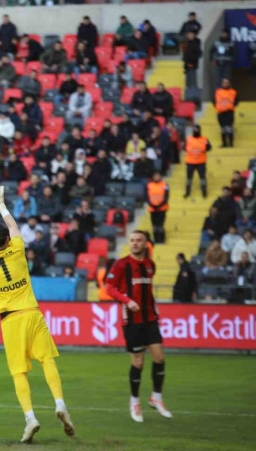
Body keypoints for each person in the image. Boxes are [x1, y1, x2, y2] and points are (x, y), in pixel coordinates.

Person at [0, 183, 74, 443]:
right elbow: (13, 226)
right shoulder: (19, 247)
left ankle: (30, 417)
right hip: (32, 313)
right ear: (8, 240)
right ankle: (59, 402)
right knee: (47, 359)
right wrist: (0, 204)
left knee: (19, 372)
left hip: (10, 320)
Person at [106, 230, 172, 423]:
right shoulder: (121, 264)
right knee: (138, 363)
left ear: (145, 244)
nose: (135, 243)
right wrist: (127, 301)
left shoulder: (151, 265)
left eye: (139, 240)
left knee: (159, 357)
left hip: (150, 318)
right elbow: (109, 288)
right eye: (132, 240)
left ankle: (156, 398)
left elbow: (147, 291)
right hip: (132, 321)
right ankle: (134, 402)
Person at [183, 124, 211, 198]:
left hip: (201, 162)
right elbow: (184, 148)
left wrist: (202, 150)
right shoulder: (188, 139)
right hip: (190, 162)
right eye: (194, 129)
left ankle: (204, 193)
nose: (195, 131)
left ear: (199, 130)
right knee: (189, 178)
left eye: (197, 129)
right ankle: (187, 192)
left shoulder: (204, 139)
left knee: (202, 178)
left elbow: (209, 147)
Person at [214, 78, 238, 148]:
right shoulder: (218, 92)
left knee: (229, 128)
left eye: (227, 82)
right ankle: (224, 143)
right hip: (220, 113)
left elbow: (236, 101)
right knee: (223, 129)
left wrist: (229, 106)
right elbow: (214, 101)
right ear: (222, 83)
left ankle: (230, 144)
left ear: (229, 84)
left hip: (229, 113)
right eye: (224, 82)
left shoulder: (233, 92)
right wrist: (219, 107)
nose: (225, 84)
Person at [146, 171, 169, 244]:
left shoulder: (165, 185)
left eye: (158, 176)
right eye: (155, 176)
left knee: (160, 225)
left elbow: (166, 197)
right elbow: (146, 197)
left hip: (162, 209)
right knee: (154, 226)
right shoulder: (149, 185)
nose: (157, 177)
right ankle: (156, 240)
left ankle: (161, 240)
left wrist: (159, 205)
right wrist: (152, 205)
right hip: (152, 209)